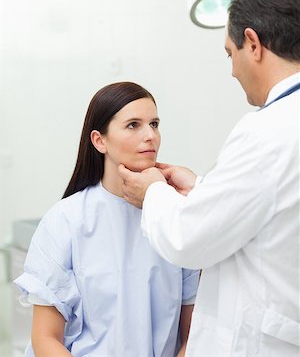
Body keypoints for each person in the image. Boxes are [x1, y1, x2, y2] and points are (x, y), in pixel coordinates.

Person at [118, 0, 300, 356]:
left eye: (230, 53)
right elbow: (272, 208)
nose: (232, 70)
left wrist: (154, 191)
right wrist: (201, 188)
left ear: (253, 43)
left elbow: (188, 238)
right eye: (132, 125)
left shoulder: (267, 131)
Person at [14, 82, 200, 357]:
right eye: (133, 124)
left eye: (155, 123)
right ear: (99, 141)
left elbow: (193, 336)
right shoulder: (66, 220)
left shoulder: (176, 217)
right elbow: (45, 339)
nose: (150, 135)